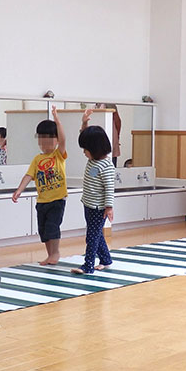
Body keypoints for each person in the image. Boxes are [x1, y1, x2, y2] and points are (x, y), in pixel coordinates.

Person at [13, 105, 67, 265]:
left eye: (49, 139)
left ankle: (55, 253)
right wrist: (19, 190)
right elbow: (29, 176)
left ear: (56, 140)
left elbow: (64, 139)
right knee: (43, 230)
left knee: (52, 226)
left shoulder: (58, 155)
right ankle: (50, 254)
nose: (45, 143)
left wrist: (57, 120)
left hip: (57, 200)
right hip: (42, 201)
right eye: (42, 140)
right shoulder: (37, 159)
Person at [71, 110, 115, 274]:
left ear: (95, 149)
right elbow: (85, 136)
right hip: (88, 204)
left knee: (91, 237)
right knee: (96, 234)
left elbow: (109, 188)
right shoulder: (93, 160)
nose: (84, 152)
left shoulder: (106, 166)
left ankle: (88, 266)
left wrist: (109, 207)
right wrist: (84, 123)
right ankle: (106, 260)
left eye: (86, 149)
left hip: (98, 208)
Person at [96, 103, 121, 167]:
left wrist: (117, 137)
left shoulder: (109, 104)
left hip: (110, 136)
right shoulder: (95, 105)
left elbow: (117, 121)